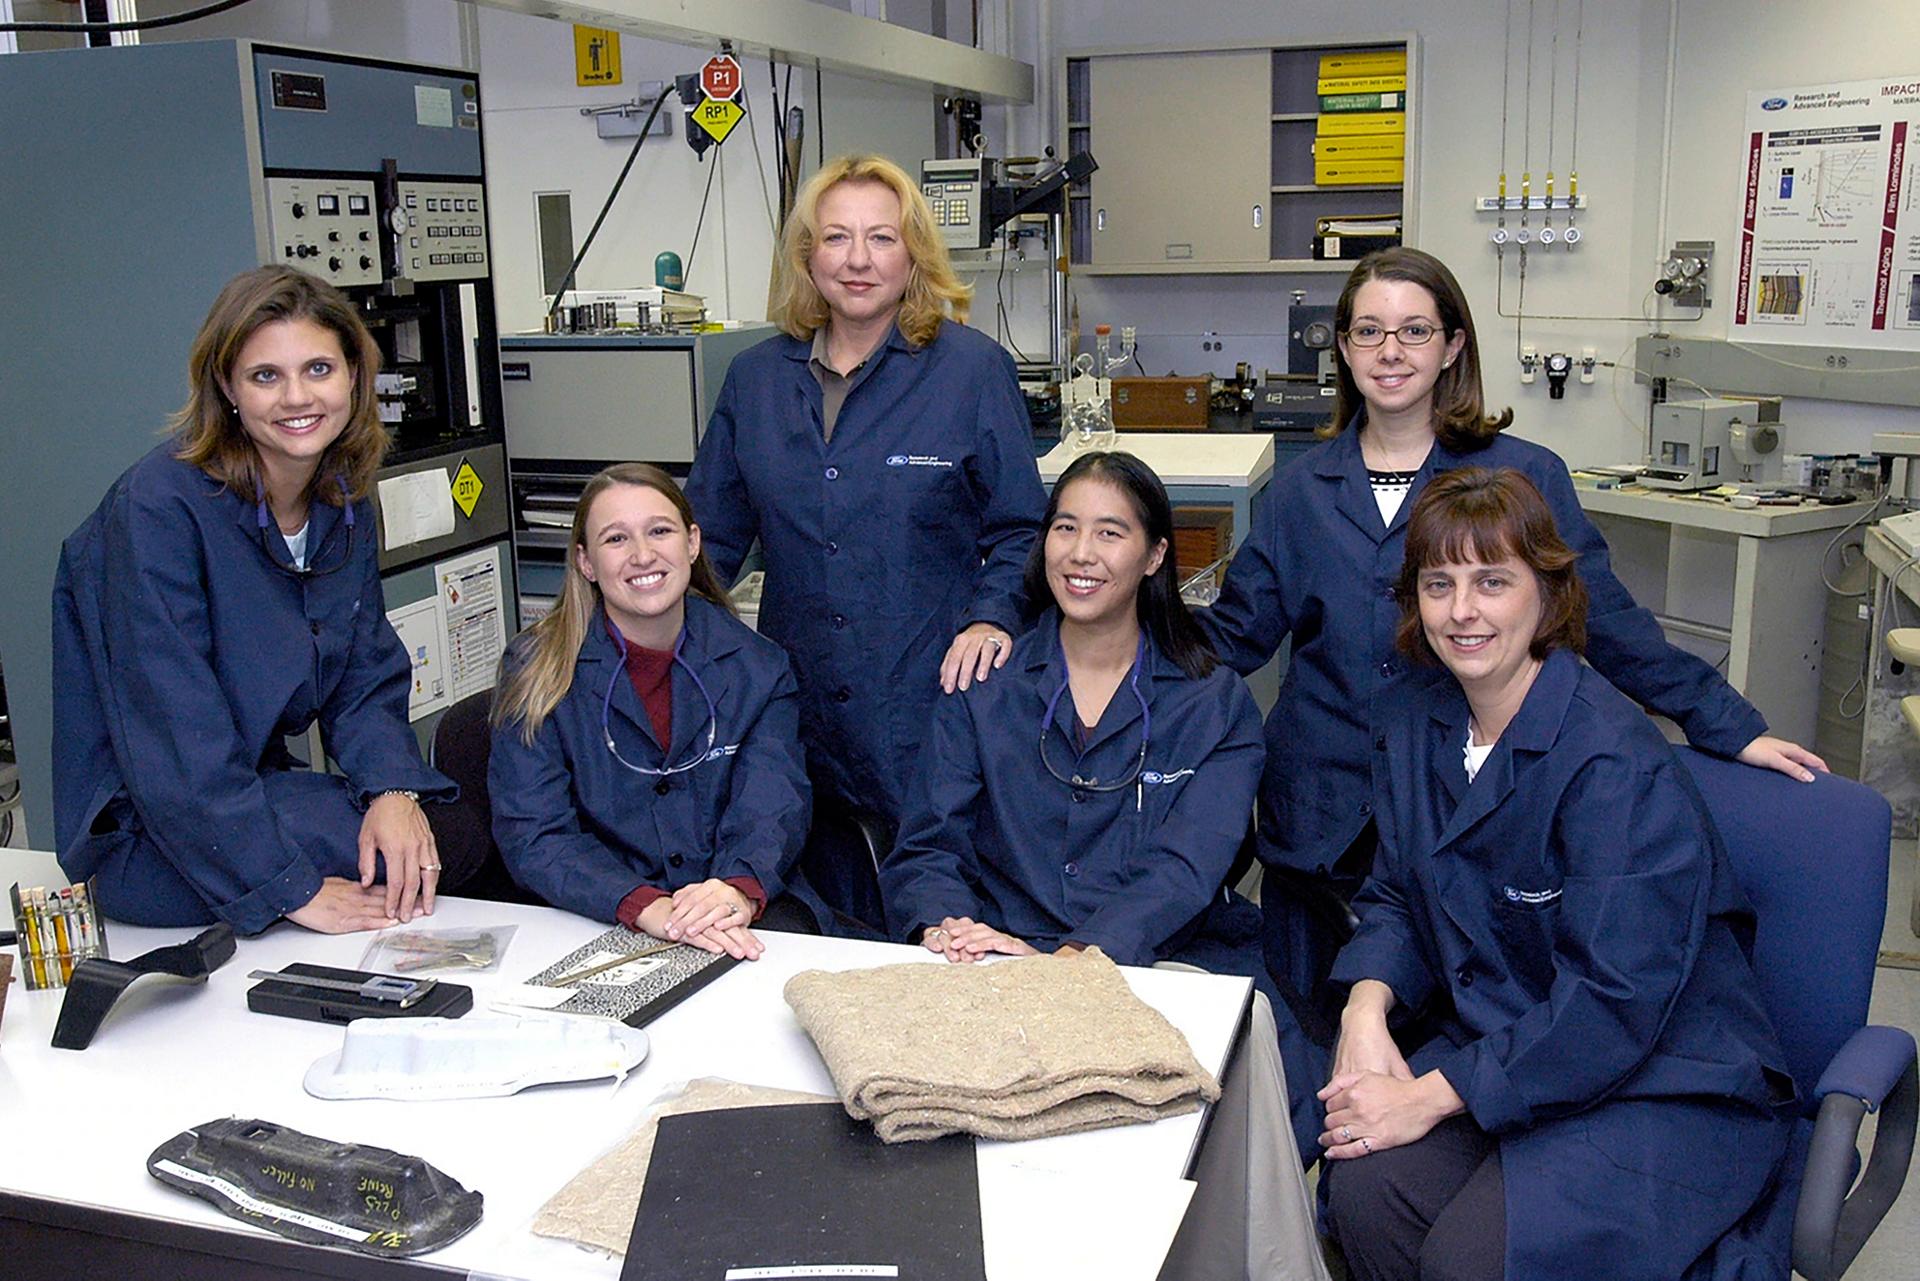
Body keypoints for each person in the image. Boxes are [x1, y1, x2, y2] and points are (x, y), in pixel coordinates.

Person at [1197, 246, 1825, 1013]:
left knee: (1450, 1030)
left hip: (1461, 812)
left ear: (1454, 344)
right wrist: (1089, 638)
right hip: (1316, 823)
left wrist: (1726, 722)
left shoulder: (1520, 477)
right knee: (1311, 1050)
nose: (1390, 351)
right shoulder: (1301, 491)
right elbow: (1232, 637)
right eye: (1368, 331)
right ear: (1344, 346)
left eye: (1415, 330)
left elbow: (1605, 620)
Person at [1320, 467, 1794, 1280]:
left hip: (1662, 1079)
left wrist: (1429, 1093)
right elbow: (1398, 892)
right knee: (1363, 1185)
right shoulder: (1419, 722)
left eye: (1492, 582)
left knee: (1475, 1258)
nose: (1462, 611)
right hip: (1507, 1038)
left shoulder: (1613, 762)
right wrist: (1365, 1012)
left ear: (1547, 591)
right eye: (1439, 584)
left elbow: (1612, 1001)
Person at [881, 451, 1326, 1157]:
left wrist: (1076, 957)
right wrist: (948, 927)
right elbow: (929, 844)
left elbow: (1184, 871)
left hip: (1160, 961)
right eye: (1065, 527)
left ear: (1154, 556)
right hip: (993, 959)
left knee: (1239, 1126)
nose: (1081, 553)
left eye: (1110, 533)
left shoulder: (1213, 704)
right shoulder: (984, 685)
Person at [685, 154, 1047, 923]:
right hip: (796, 708)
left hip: (929, 700)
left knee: (940, 916)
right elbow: (707, 544)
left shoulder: (971, 370)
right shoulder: (754, 380)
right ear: (806, 257)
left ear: (913, 251)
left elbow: (1022, 528)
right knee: (824, 914)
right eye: (837, 237)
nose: (857, 260)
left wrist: (992, 615)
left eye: (881, 238)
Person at [53, 266, 454, 935]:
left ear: (355, 375)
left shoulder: (340, 495)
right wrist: (289, 888)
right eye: (266, 375)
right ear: (227, 388)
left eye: (320, 368)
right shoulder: (156, 511)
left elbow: (362, 673)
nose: (298, 397)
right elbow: (177, 741)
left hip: (250, 797)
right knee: (399, 853)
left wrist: (391, 788)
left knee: (430, 832)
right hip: (151, 830)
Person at [489, 464, 826, 958]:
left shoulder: (759, 667)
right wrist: (645, 905)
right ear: (585, 562)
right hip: (597, 911)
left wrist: (733, 888)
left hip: (735, 906)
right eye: (616, 539)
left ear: (691, 543)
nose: (642, 555)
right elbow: (535, 833)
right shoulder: (536, 670)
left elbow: (773, 805)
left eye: (660, 531)